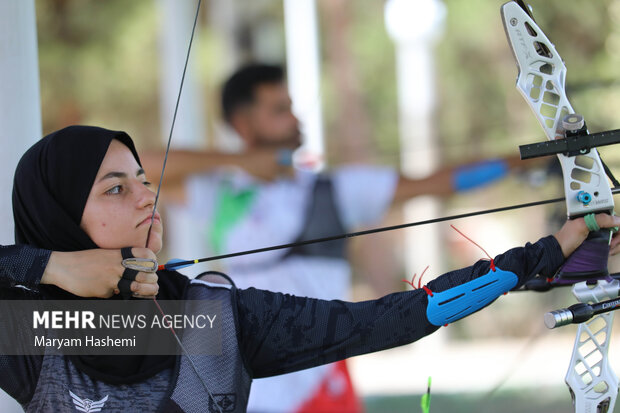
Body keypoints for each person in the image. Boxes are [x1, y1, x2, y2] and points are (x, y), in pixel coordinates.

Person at [2, 125, 619, 412]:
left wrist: (549, 251)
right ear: (58, 217)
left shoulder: (210, 320)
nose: (146, 196)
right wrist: (51, 266)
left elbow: (397, 316)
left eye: (142, 179)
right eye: (115, 189)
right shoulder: (38, 330)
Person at [139, 63, 540, 412]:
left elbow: (437, 183)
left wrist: (523, 160)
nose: (295, 118)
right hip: (254, 385)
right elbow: (141, 164)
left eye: (292, 106)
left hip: (324, 378)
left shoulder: (336, 189)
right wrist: (242, 161)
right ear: (243, 124)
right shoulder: (219, 193)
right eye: (280, 110)